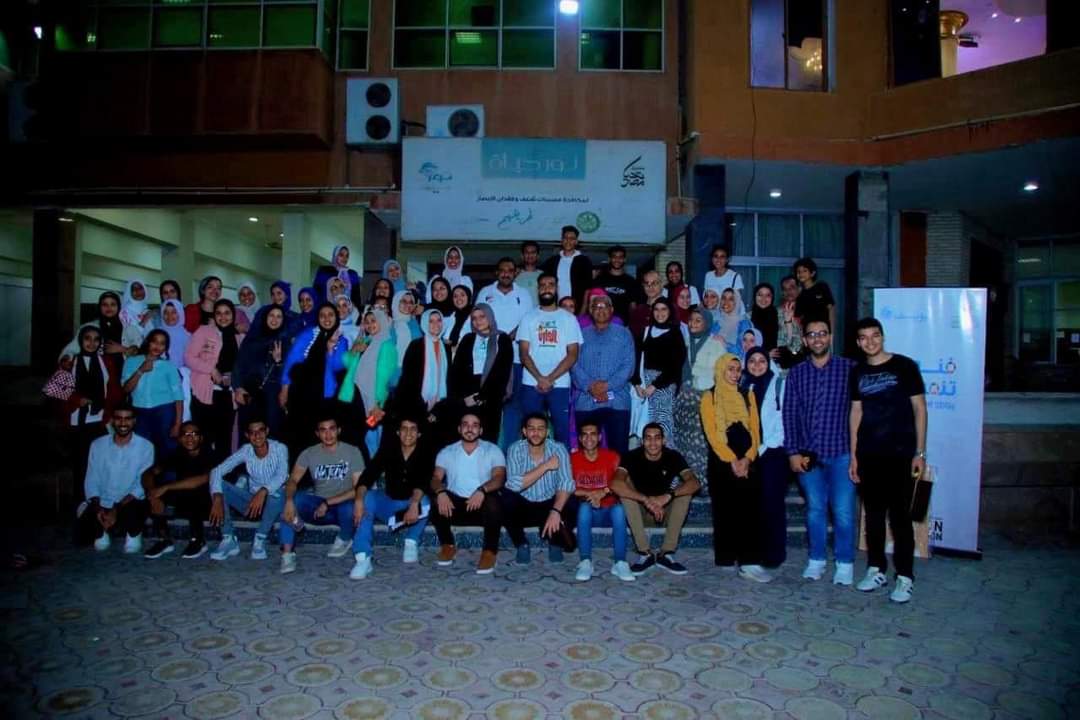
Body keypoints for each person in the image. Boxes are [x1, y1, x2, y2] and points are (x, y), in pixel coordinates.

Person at [849, 318, 927, 604]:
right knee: (874, 516)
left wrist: (920, 453)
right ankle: (876, 569)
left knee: (900, 518)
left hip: (901, 455)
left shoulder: (905, 366)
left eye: (875, 336)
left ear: (882, 337)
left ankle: (905, 576)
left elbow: (920, 409)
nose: (870, 341)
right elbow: (855, 413)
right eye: (864, 337)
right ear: (858, 343)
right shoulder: (857, 372)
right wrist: (853, 455)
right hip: (869, 455)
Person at [782, 318, 857, 584]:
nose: (817, 339)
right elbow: (789, 414)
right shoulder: (797, 373)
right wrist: (792, 451)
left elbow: (860, 411)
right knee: (815, 509)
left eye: (822, 334)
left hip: (842, 453)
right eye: (812, 335)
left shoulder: (849, 369)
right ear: (805, 340)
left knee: (843, 511)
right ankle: (816, 559)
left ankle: (845, 563)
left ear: (830, 337)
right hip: (808, 456)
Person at [701, 353, 771, 583]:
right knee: (725, 509)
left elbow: (756, 430)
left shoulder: (747, 394)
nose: (735, 374)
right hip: (722, 459)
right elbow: (712, 433)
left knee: (750, 510)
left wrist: (747, 459)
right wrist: (732, 460)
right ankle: (726, 556)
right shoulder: (709, 397)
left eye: (738, 370)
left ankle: (749, 562)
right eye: (730, 369)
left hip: (748, 457)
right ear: (721, 370)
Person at [279, 413, 365, 574]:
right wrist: (289, 500)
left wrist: (328, 502)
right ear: (317, 433)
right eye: (323, 430)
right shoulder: (309, 453)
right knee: (290, 503)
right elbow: (293, 480)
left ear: (339, 430)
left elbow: (358, 488)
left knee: (349, 507)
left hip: (343, 505)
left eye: (332, 429)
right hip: (318, 507)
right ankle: (287, 553)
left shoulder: (352, 451)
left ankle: (345, 538)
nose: (328, 434)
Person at [351, 415, 434, 578]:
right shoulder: (388, 449)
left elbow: (423, 482)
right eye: (404, 429)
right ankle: (363, 558)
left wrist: (414, 504)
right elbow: (368, 476)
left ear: (419, 433)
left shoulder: (426, 453)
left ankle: (411, 541)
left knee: (425, 502)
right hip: (388, 504)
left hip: (410, 506)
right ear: (398, 432)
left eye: (413, 429)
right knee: (367, 498)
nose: (408, 433)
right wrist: (358, 500)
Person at [612, 424, 701, 575]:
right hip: (640, 512)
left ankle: (666, 553)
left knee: (685, 491)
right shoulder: (631, 456)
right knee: (624, 486)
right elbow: (615, 484)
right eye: (648, 438)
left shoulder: (673, 456)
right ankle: (645, 553)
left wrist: (667, 497)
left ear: (664, 440)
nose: (652, 442)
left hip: (664, 513)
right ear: (642, 441)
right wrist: (646, 500)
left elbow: (695, 483)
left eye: (657, 438)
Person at [430, 413, 507, 574]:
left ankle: (489, 552)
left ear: (481, 430)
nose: (470, 428)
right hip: (455, 507)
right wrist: (441, 491)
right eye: (465, 424)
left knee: (493, 501)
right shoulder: (447, 452)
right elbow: (435, 478)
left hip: (482, 507)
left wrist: (482, 490)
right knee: (436, 498)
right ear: (459, 429)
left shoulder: (492, 450)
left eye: (475, 425)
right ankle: (448, 545)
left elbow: (499, 478)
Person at [208, 417, 289, 562]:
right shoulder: (246, 450)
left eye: (260, 431)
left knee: (278, 492)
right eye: (252, 432)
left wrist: (263, 491)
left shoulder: (279, 448)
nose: (257, 435)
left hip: (276, 506)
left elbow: (282, 475)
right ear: (247, 435)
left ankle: (260, 538)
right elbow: (216, 471)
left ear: (267, 431)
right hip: (253, 505)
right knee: (219, 485)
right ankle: (228, 538)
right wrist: (217, 496)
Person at [77, 405, 154, 553]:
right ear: (112, 420)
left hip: (129, 502)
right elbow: (92, 478)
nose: (123, 423)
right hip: (104, 501)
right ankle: (102, 528)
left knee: (137, 507)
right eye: (119, 418)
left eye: (128, 419)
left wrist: (116, 509)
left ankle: (133, 533)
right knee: (81, 538)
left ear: (134, 421)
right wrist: (99, 508)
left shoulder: (146, 446)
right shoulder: (97, 445)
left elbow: (141, 484)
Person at [475, 258, 535, 449]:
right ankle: (487, 451)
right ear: (496, 272)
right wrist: (498, 338)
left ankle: (510, 451)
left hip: (516, 358)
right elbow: (478, 319)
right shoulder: (485, 292)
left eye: (510, 270)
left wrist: (511, 336)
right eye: (502, 270)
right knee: (488, 405)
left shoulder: (524, 294)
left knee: (513, 405)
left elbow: (529, 320)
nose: (506, 273)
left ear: (515, 272)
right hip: (489, 360)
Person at [518, 273, 583, 446]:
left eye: (551, 284)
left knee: (562, 432)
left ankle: (561, 464)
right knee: (531, 432)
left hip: (559, 384)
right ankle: (529, 463)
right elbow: (523, 353)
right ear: (538, 289)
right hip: (531, 382)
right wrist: (540, 378)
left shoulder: (569, 319)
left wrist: (550, 378)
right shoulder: (528, 317)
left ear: (557, 288)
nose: (547, 288)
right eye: (543, 285)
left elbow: (573, 354)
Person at [504, 414, 576, 565]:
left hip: (549, 504)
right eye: (531, 429)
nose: (536, 433)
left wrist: (555, 511)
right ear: (524, 431)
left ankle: (555, 542)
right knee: (506, 498)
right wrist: (546, 466)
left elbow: (567, 483)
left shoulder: (558, 448)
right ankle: (521, 544)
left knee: (572, 501)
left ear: (547, 432)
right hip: (524, 504)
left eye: (540, 429)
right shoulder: (515, 449)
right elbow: (514, 484)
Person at [279, 303, 350, 458]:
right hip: (301, 395)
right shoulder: (308, 334)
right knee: (299, 437)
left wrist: (330, 348)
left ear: (336, 317)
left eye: (330, 315)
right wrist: (284, 389)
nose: (326, 319)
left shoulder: (342, 340)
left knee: (321, 438)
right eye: (322, 315)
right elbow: (292, 362)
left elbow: (338, 367)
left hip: (325, 397)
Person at [58, 326, 117, 507]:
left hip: (100, 420)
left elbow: (114, 390)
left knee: (101, 463)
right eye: (87, 338)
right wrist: (77, 400)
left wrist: (111, 413)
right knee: (81, 463)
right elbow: (58, 392)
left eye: (96, 339)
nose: (91, 343)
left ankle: (102, 502)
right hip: (77, 420)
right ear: (80, 340)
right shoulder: (70, 362)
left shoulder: (106, 362)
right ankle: (81, 504)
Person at [743, 346, 790, 569]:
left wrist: (765, 447)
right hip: (751, 454)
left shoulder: (779, 384)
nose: (757, 365)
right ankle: (756, 550)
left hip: (773, 451)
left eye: (762, 360)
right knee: (754, 504)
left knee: (773, 503)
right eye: (752, 361)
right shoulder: (744, 385)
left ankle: (774, 553)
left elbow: (783, 419)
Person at [571, 292, 634, 457]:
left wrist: (606, 386)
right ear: (590, 310)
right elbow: (573, 363)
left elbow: (628, 366)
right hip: (586, 399)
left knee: (619, 453)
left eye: (604, 306)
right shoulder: (580, 334)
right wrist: (590, 386)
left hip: (617, 400)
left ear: (612, 309)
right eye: (596, 307)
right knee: (586, 453)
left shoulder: (624, 334)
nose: (600, 310)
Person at [571, 421, 635, 582]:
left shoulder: (612, 457)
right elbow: (568, 488)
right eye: (585, 434)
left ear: (599, 437)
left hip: (609, 511)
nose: (589, 438)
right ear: (580, 438)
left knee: (619, 510)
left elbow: (623, 484)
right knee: (584, 508)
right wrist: (591, 494)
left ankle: (620, 562)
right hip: (587, 514)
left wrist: (603, 493)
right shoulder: (572, 459)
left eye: (593, 434)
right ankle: (585, 561)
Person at [140, 420, 213, 559]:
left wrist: (166, 487)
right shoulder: (177, 453)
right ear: (179, 439)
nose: (189, 438)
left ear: (201, 438)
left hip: (210, 503)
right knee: (153, 494)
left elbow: (201, 480)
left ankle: (198, 540)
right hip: (184, 499)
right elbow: (147, 474)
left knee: (193, 493)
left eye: (194, 434)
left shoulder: (209, 454)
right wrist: (153, 494)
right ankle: (164, 540)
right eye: (185, 434)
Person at [184, 299, 243, 460]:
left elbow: (242, 366)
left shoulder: (239, 337)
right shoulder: (204, 331)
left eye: (227, 313)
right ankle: (201, 474)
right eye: (218, 313)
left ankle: (221, 474)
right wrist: (212, 370)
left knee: (224, 439)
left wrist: (233, 378)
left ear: (233, 315)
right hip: (204, 393)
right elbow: (188, 357)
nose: (223, 317)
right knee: (203, 438)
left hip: (228, 395)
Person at [448, 303, 514, 444]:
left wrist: (480, 396)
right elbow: (456, 370)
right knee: (465, 436)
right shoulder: (468, 339)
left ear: (490, 317)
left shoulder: (502, 339)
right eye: (474, 318)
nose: (478, 321)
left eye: (482, 316)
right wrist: (463, 398)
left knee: (488, 438)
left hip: (491, 395)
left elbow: (502, 371)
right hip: (467, 394)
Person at [121, 329, 184, 460]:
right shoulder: (131, 361)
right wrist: (141, 370)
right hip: (139, 411)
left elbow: (178, 397)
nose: (157, 346)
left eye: (162, 343)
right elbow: (126, 389)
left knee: (167, 448)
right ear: (148, 342)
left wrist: (178, 424)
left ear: (166, 348)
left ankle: (168, 474)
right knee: (142, 450)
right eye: (154, 341)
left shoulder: (169, 366)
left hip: (164, 411)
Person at [631, 298, 686, 443]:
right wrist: (637, 383)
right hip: (644, 385)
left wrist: (655, 385)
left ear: (670, 312)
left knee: (662, 428)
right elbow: (636, 358)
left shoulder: (676, 334)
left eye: (664, 309)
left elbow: (675, 366)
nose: (659, 313)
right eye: (656, 309)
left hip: (664, 385)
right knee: (645, 427)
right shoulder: (646, 331)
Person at [339, 308, 392, 458]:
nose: (370, 325)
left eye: (373, 321)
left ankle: (378, 470)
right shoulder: (365, 342)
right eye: (367, 322)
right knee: (365, 437)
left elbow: (385, 378)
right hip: (359, 399)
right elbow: (346, 363)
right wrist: (354, 349)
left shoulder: (387, 345)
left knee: (377, 436)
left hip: (375, 403)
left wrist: (378, 404)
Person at [233, 304, 288, 444]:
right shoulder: (252, 338)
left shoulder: (285, 341)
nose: (275, 319)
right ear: (265, 317)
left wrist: (279, 361)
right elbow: (239, 365)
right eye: (271, 315)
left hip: (272, 395)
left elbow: (287, 374)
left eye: (279, 316)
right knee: (249, 434)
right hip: (249, 392)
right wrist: (238, 387)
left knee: (272, 434)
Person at [395, 309, 452, 442]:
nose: (436, 324)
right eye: (431, 321)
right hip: (416, 406)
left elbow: (447, 380)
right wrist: (422, 410)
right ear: (425, 323)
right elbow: (408, 380)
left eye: (439, 320)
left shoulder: (446, 348)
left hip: (438, 407)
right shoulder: (416, 345)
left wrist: (437, 409)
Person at [673, 307, 715, 481]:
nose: (693, 324)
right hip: (684, 402)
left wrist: (695, 376)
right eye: (691, 320)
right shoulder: (685, 342)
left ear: (707, 323)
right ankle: (686, 483)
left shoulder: (716, 344)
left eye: (698, 320)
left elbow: (718, 373)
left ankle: (702, 484)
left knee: (701, 445)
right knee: (683, 444)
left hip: (703, 401)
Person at [59, 290, 142, 365]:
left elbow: (140, 351)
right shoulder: (89, 327)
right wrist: (66, 358)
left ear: (119, 307)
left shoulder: (130, 328)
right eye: (105, 304)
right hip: (96, 372)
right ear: (99, 307)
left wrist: (122, 349)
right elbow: (72, 348)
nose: (109, 308)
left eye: (113, 304)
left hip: (124, 372)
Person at [541, 225, 594, 312]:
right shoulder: (552, 261)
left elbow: (588, 289)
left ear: (576, 241)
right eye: (565, 238)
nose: (568, 241)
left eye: (572, 238)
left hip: (576, 309)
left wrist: (583, 310)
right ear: (561, 240)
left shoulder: (584, 261)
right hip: (555, 308)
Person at [593, 245, 644, 325]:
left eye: (620, 257)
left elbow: (633, 307)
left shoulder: (631, 282)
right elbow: (593, 302)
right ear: (609, 259)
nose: (617, 259)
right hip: (601, 324)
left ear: (624, 259)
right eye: (614, 257)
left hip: (623, 325)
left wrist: (632, 324)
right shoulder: (599, 279)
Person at [793, 257, 835, 340]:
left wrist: (831, 333)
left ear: (812, 273)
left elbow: (831, 310)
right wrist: (802, 336)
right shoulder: (800, 295)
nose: (801, 274)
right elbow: (798, 318)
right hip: (809, 333)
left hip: (823, 330)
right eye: (798, 272)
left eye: (804, 271)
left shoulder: (822, 287)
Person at [775, 275, 804, 368]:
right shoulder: (776, 313)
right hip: (785, 362)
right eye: (785, 289)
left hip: (807, 360)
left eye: (792, 288)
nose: (788, 292)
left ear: (799, 289)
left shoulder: (808, 312)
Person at [714, 288, 753, 354]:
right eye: (723, 298)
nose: (726, 302)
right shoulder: (717, 322)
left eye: (731, 299)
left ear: (737, 302)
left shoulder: (743, 324)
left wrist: (725, 344)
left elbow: (745, 351)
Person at [629, 270, 664, 339]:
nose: (650, 287)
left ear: (661, 285)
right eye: (646, 283)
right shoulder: (638, 311)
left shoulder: (670, 307)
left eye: (654, 283)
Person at [159, 299, 190, 371]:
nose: (169, 315)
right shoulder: (156, 333)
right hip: (160, 371)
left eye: (174, 312)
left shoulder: (187, 336)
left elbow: (190, 360)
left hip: (181, 373)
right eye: (166, 312)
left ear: (180, 314)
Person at [750, 283, 781, 353]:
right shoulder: (747, 318)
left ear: (772, 298)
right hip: (755, 356)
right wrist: (766, 354)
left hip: (778, 356)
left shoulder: (780, 315)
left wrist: (788, 321)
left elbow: (790, 342)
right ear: (755, 297)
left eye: (768, 295)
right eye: (760, 295)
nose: (763, 298)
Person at [444, 285, 473, 350]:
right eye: (455, 296)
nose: (459, 298)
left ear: (468, 297)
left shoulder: (476, 316)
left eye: (462, 295)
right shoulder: (449, 316)